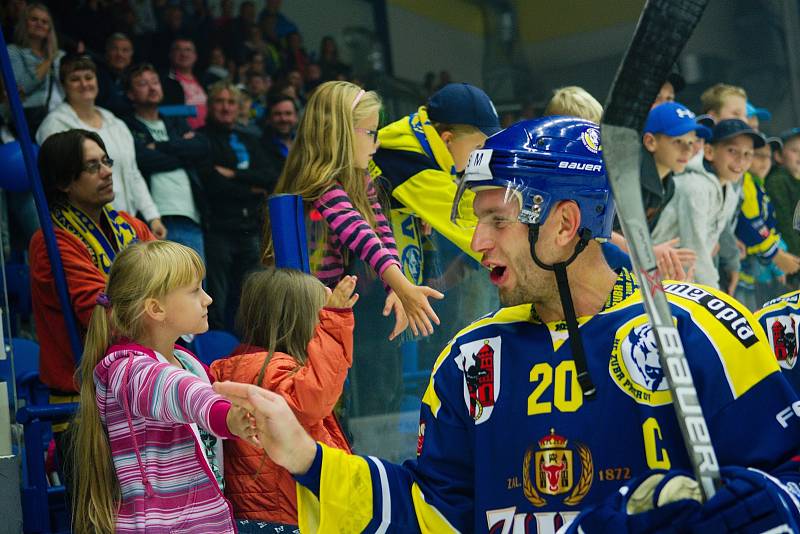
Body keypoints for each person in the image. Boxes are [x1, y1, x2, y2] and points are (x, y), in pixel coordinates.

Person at [218, 116, 800, 533]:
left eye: (497, 219)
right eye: (477, 221)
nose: (477, 242)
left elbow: (787, 475)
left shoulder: (699, 328)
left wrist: (753, 505)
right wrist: (306, 459)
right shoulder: (471, 359)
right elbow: (433, 513)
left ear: (566, 223)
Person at [70, 240, 256, 533]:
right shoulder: (125, 369)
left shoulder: (186, 361)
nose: (207, 299)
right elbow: (177, 392)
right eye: (195, 290)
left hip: (208, 521)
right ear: (156, 308)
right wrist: (226, 416)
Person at [262, 81, 444, 341]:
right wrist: (402, 287)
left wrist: (394, 286)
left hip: (330, 307)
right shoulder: (321, 184)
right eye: (370, 132)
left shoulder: (360, 177)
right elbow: (359, 234)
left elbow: (380, 229)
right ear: (341, 134)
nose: (377, 143)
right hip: (301, 316)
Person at [29, 129, 154, 443]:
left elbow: (176, 281)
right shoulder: (51, 241)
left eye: (106, 161)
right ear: (63, 182)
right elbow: (100, 315)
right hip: (81, 404)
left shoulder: (130, 224)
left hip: (138, 388)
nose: (108, 171)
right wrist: (161, 307)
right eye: (92, 166)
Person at [209, 269, 357, 525]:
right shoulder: (268, 370)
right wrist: (335, 325)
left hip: (261, 515)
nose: (322, 328)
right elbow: (314, 398)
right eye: (320, 319)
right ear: (300, 322)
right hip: (285, 517)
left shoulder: (235, 366)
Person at [36, 54, 166, 239]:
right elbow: (59, 179)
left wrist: (153, 217)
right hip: (83, 228)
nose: (84, 84)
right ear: (63, 86)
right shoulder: (54, 124)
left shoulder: (116, 122)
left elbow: (133, 174)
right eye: (75, 79)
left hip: (125, 226)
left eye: (89, 77)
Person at [199, 81, 280, 330]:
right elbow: (213, 183)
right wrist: (251, 188)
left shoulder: (250, 139)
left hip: (250, 229)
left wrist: (233, 175)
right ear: (210, 107)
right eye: (220, 102)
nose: (226, 107)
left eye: (231, 102)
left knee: (251, 296)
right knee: (218, 299)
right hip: (219, 229)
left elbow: (269, 175)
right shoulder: (202, 139)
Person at [651, 119, 764, 289]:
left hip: (678, 277)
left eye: (748, 154)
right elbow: (694, 246)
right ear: (709, 151)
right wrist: (713, 293)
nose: (741, 160)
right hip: (654, 271)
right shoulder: (696, 187)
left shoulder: (729, 188)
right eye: (732, 151)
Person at [124, 63, 208, 259]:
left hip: (191, 216)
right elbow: (142, 159)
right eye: (143, 84)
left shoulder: (175, 121)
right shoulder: (127, 125)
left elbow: (202, 148)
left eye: (155, 82)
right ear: (130, 94)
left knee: (196, 285)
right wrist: (183, 153)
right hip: (154, 218)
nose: (152, 87)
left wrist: (160, 147)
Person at [7, 2, 64, 133]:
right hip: (28, 120)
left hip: (61, 115)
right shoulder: (13, 51)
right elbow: (20, 88)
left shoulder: (60, 55)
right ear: (24, 23)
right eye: (34, 19)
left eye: (45, 22)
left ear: (50, 28)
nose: (39, 24)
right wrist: (48, 61)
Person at [766, 127, 800, 288]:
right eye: (794, 150)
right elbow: (785, 223)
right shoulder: (778, 180)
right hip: (789, 262)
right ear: (779, 156)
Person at [161, 37, 208, 130]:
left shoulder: (205, 81)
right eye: (178, 49)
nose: (184, 54)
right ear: (170, 54)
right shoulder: (163, 81)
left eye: (188, 50)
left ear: (195, 56)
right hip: (182, 135)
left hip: (208, 134)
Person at [95, 32, 134, 118]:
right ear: (107, 53)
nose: (119, 54)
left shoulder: (133, 77)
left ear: (131, 55)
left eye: (125, 50)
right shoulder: (97, 77)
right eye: (114, 49)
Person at [260, 94, 297, 165]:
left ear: (296, 117)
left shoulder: (306, 143)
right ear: (269, 118)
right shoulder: (260, 148)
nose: (283, 119)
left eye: (288, 113)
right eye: (277, 114)